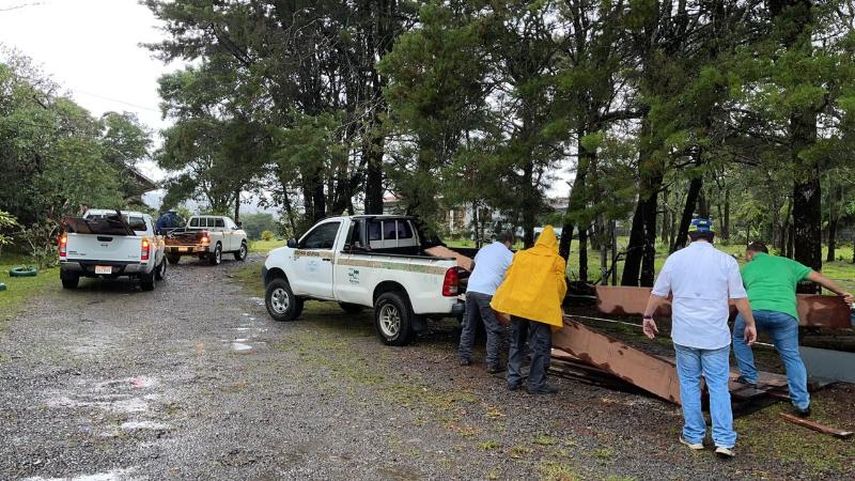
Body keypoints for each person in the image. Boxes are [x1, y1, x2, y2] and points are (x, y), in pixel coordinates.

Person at [642, 218, 757, 459]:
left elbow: (659, 292)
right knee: (718, 387)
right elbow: (739, 297)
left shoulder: (675, 259)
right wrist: (750, 323)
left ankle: (693, 436)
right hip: (715, 336)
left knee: (689, 384)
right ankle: (724, 440)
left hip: (685, 334)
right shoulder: (726, 261)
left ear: (689, 236)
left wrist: (647, 316)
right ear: (713, 237)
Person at [732, 241, 854, 418]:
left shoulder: (746, 268)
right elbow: (820, 278)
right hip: (785, 314)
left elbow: (729, 290)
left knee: (739, 338)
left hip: (753, 312)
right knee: (791, 355)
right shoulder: (789, 264)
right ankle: (802, 403)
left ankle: (749, 377)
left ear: (750, 254)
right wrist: (844, 293)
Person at [491, 225, 567, 395]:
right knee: (539, 346)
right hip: (539, 309)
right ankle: (536, 383)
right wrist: (558, 305)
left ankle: (512, 379)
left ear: (537, 241)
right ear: (554, 243)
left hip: (518, 305)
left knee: (516, 341)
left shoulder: (521, 255)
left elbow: (508, 276)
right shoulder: (556, 260)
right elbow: (559, 287)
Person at [458, 231, 515, 373]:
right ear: (509, 241)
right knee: (493, 328)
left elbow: (472, 266)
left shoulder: (484, 249)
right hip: (488, 292)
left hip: (471, 289)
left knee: (468, 325)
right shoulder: (510, 256)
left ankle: (463, 357)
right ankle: (492, 364)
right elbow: (514, 275)